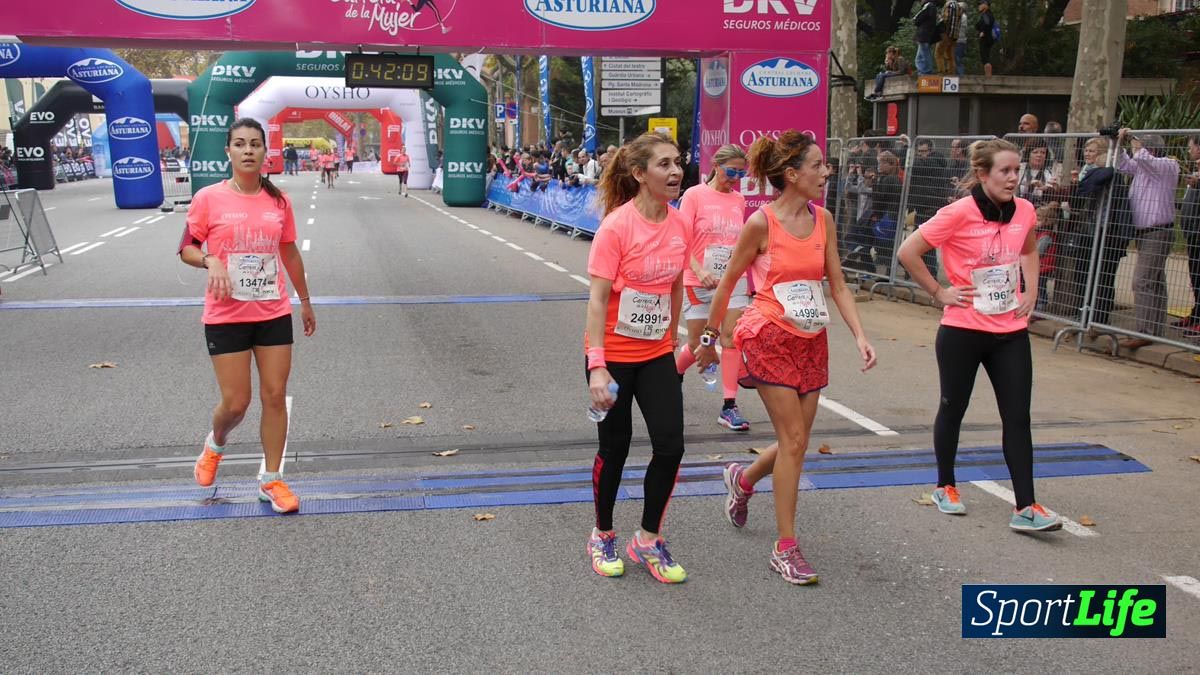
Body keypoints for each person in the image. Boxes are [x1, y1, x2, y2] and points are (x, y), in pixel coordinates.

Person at [695, 130, 876, 585]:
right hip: (768, 335)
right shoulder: (761, 224)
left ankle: (743, 480)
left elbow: (837, 284)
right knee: (794, 439)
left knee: (798, 439)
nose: (826, 172)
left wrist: (860, 335)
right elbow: (729, 281)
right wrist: (710, 337)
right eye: (818, 165)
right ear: (792, 174)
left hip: (811, 338)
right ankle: (786, 547)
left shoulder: (824, 220)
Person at [896, 138, 1063, 532]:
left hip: (1010, 331)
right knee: (953, 407)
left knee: (1017, 416)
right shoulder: (958, 213)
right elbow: (908, 252)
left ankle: (1026, 507)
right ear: (983, 173)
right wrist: (939, 292)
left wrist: (1031, 290)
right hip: (962, 330)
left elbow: (1028, 249)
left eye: (1017, 170)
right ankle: (945, 486)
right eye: (1005, 171)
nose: (1013, 177)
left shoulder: (1024, 210)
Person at [178, 118, 316, 515]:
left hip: (272, 311)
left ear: (265, 152)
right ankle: (215, 443)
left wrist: (305, 300)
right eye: (240, 144)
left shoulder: (279, 201)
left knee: (274, 395)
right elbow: (187, 248)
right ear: (229, 152)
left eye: (255, 144)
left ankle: (272, 479)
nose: (248, 150)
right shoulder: (208, 198)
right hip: (226, 314)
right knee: (236, 403)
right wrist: (210, 260)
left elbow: (289, 252)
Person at [584, 132, 689, 584]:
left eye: (678, 162)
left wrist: (673, 338)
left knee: (671, 445)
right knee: (616, 447)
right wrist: (597, 365)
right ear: (639, 174)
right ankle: (602, 533)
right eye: (664, 164)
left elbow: (676, 285)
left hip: (656, 352)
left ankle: (647, 539)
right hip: (613, 355)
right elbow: (597, 300)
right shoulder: (616, 227)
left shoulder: (679, 223)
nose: (676, 171)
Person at [674, 144, 753, 432]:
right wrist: (698, 270)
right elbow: (680, 239)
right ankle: (675, 374)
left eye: (741, 174)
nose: (736, 178)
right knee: (699, 344)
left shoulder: (739, 200)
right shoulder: (694, 196)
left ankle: (729, 406)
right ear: (716, 166)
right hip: (699, 280)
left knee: (730, 338)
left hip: (732, 280)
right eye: (731, 171)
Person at [1114, 129, 1180, 349]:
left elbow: (1144, 159)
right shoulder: (1143, 167)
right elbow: (1123, 164)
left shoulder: (1168, 165)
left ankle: (1145, 331)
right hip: (1145, 233)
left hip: (1158, 231)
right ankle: (1154, 330)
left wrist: (1135, 142)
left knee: (1142, 281)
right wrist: (1120, 143)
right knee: (1154, 281)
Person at [1179, 136, 1200, 338]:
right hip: (1192, 233)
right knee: (1195, 276)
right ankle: (1196, 314)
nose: (1188, 150)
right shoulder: (1195, 172)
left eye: (1190, 147)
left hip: (1198, 232)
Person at [913, 1, 941, 76]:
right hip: (928, 33)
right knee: (920, 56)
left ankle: (926, 71)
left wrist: (915, 20)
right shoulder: (933, 6)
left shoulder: (928, 5)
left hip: (924, 34)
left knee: (925, 53)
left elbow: (917, 18)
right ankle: (922, 70)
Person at [936, 0, 964, 75]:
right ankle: (951, 72)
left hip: (946, 33)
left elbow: (946, 19)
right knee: (950, 55)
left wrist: (939, 17)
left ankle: (941, 72)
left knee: (939, 53)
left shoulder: (949, 5)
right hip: (954, 35)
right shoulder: (959, 6)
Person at [975, 1, 996, 77]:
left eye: (981, 4)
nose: (979, 6)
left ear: (986, 5)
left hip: (985, 37)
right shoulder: (988, 14)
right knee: (986, 56)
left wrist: (983, 32)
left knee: (985, 57)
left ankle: (988, 76)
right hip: (989, 38)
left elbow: (987, 24)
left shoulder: (986, 14)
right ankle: (988, 75)